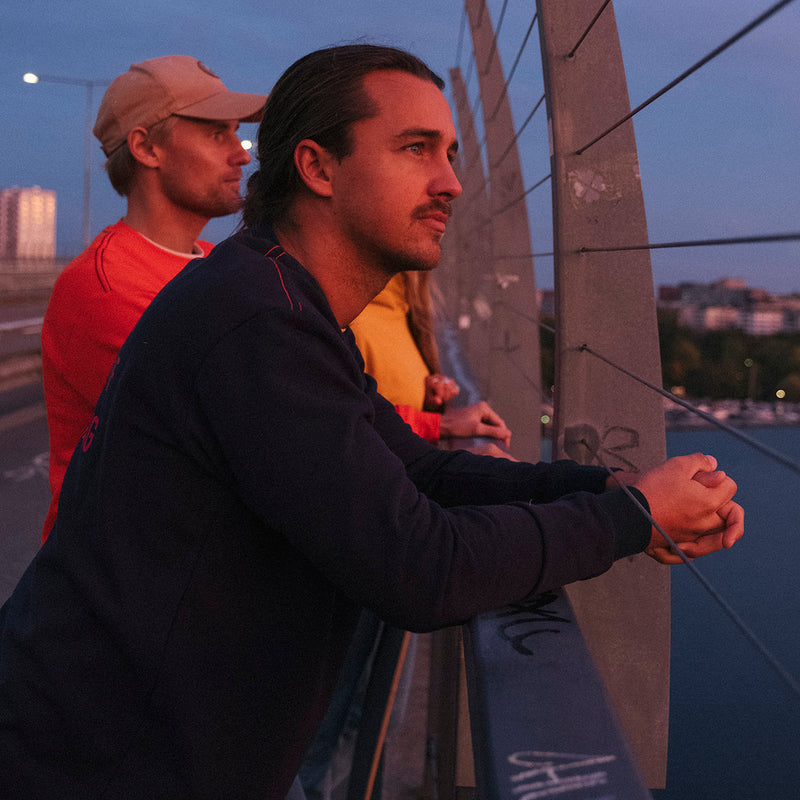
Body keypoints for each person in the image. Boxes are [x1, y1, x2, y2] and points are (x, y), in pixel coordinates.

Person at [0, 44, 743, 799]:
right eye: (415, 149)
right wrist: (631, 519)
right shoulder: (258, 322)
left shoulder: (276, 297)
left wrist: (602, 486)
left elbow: (419, 470)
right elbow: (419, 568)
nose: (451, 182)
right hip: (102, 763)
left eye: (451, 153)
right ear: (317, 168)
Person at [39, 55, 267, 540]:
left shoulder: (215, 264)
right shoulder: (108, 289)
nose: (243, 155)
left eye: (236, 134)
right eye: (216, 134)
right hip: (123, 578)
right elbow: (259, 430)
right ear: (146, 148)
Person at [350, 269, 513, 452]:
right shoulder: (352, 319)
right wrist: (443, 424)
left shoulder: (400, 304)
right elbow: (347, 420)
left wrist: (426, 397)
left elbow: (379, 396)